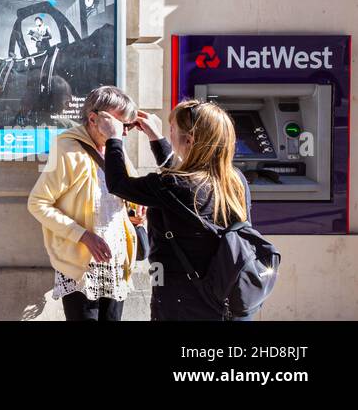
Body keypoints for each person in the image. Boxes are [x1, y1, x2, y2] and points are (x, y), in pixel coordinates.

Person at [97, 99, 253, 321]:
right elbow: (183, 183)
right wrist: (156, 139)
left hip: (181, 301)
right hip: (226, 295)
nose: (169, 133)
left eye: (172, 130)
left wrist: (114, 139)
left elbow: (119, 184)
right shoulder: (235, 180)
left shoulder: (172, 185)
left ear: (188, 140)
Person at [27, 86, 142, 321]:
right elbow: (38, 203)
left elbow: (127, 193)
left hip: (116, 261)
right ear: (93, 119)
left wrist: (136, 211)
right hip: (82, 267)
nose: (125, 132)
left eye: (127, 126)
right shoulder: (66, 150)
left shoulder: (115, 149)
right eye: (122, 124)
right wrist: (82, 235)